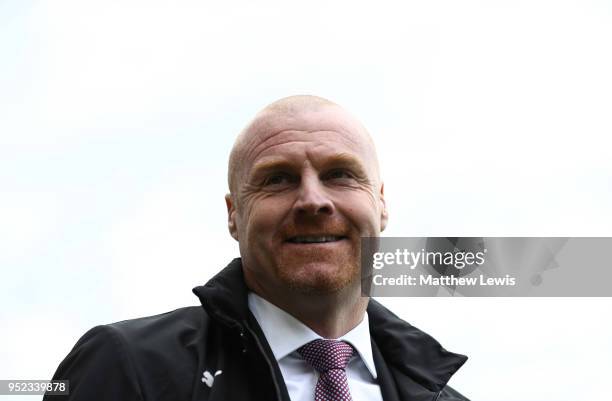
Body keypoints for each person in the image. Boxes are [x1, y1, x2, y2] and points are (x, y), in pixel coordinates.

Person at [45, 95, 469, 401]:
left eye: (340, 174)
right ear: (234, 214)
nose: (312, 201)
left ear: (380, 204)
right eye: (278, 179)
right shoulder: (128, 367)